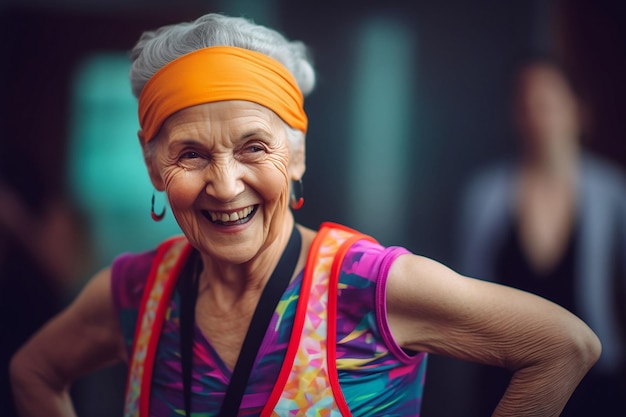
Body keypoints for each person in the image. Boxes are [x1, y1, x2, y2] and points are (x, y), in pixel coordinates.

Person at [10, 14, 601, 417]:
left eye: (253, 147)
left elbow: (563, 347)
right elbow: (33, 371)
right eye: (189, 154)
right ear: (154, 168)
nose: (224, 183)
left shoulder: (367, 287)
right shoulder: (137, 290)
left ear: (295, 156)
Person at [457, 58, 626, 416]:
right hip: (503, 375)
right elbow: (466, 295)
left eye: (548, 103)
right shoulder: (484, 195)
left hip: (593, 380)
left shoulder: (612, 194)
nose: (538, 116)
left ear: (578, 112)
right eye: (527, 105)